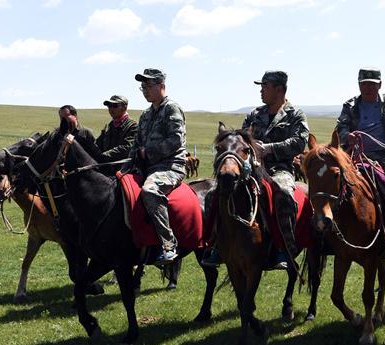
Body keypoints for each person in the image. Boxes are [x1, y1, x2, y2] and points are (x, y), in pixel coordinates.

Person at [201, 71, 310, 270]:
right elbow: (241, 140)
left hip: (279, 169)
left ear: (279, 89)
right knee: (212, 195)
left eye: (265, 86)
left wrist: (269, 148)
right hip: (250, 168)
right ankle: (216, 244)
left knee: (284, 194)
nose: (261, 91)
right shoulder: (254, 115)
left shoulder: (295, 115)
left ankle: (283, 248)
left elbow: (299, 142)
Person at [126, 68, 187, 267]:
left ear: (161, 86)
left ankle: (168, 245)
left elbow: (175, 141)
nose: (145, 90)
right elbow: (137, 144)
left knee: (150, 191)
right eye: (142, 87)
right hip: (146, 166)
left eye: (148, 86)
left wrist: (148, 152)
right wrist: (126, 165)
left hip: (170, 166)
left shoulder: (172, 109)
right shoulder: (145, 115)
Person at [335, 67, 385, 177]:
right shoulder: (350, 106)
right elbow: (340, 129)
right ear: (359, 85)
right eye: (364, 84)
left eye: (372, 84)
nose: (368, 88)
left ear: (380, 85)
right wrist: (347, 136)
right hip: (356, 156)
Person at [95, 95, 137, 175]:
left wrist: (104, 155)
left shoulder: (132, 126)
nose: (111, 109)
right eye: (109, 106)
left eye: (115, 106)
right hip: (105, 167)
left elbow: (127, 147)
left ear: (124, 107)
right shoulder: (108, 127)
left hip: (124, 169)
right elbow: (97, 145)